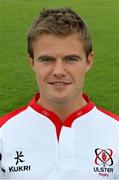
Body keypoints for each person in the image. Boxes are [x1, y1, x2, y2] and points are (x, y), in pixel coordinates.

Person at [0, 7, 119, 179]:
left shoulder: (115, 132)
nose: (59, 71)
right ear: (32, 62)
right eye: (47, 60)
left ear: (88, 61)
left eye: (71, 59)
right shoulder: (4, 135)